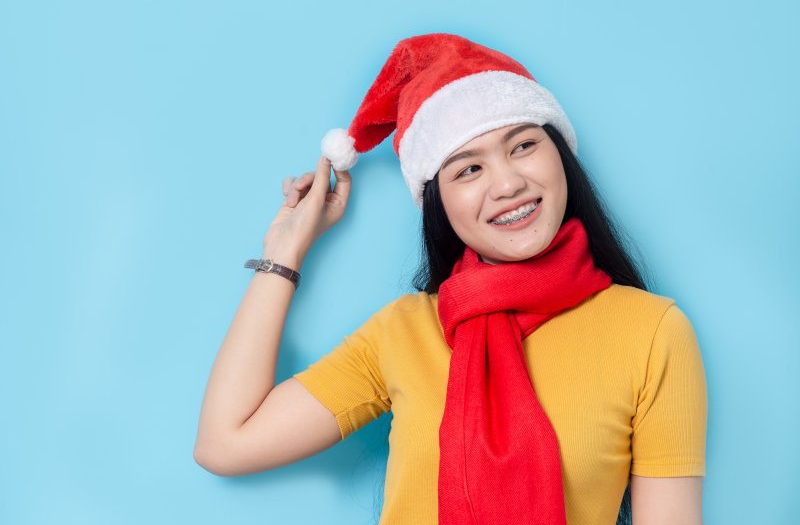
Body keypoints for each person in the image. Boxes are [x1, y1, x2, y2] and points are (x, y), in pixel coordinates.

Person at [193, 33, 708, 525]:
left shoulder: (651, 333)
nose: (508, 183)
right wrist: (285, 251)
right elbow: (226, 442)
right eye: (468, 169)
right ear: (437, 201)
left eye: (523, 145)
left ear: (561, 156)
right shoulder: (405, 331)